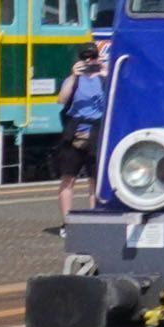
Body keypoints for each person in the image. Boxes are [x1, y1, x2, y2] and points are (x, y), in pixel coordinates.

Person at [55, 46, 107, 236]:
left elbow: (118, 97)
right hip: (75, 134)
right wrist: (74, 77)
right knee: (68, 179)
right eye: (85, 57)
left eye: (92, 57)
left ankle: (94, 221)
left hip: (97, 133)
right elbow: (61, 100)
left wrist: (106, 74)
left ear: (97, 58)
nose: (89, 61)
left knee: (95, 182)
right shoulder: (73, 80)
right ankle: (67, 223)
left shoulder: (104, 79)